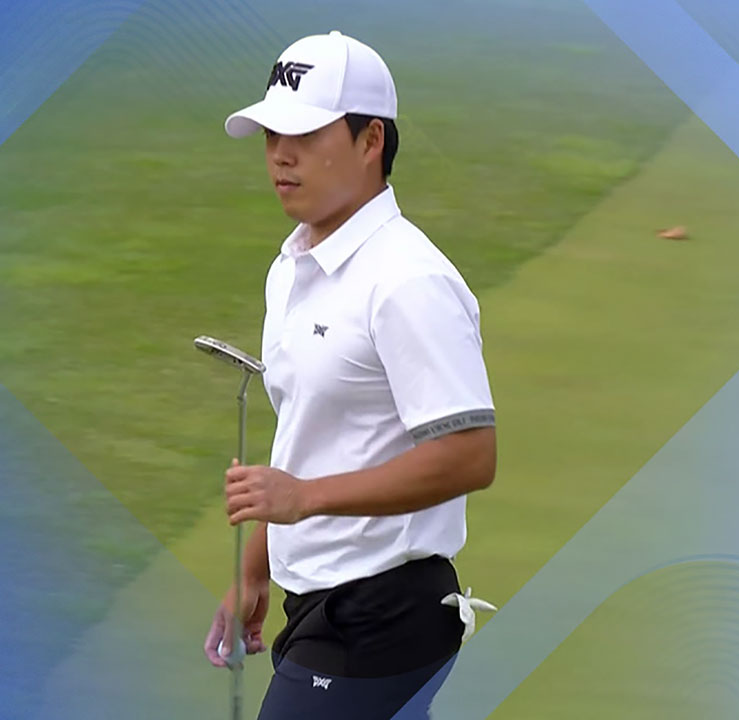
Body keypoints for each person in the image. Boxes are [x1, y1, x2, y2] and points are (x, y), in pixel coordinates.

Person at [203, 30, 498, 719]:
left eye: (306, 134)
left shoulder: (408, 281)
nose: (281, 154)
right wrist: (255, 570)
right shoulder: (293, 266)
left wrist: (304, 498)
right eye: (273, 133)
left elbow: (470, 456)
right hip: (317, 607)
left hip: (385, 615)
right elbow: (312, 432)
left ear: (371, 140)